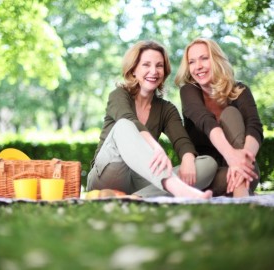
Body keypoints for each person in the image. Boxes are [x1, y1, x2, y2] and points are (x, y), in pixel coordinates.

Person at [86, 40, 217, 199]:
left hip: (140, 180)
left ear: (165, 71)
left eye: (159, 66)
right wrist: (155, 147)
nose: (154, 71)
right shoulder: (119, 95)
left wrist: (188, 158)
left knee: (207, 164)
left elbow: (182, 142)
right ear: (133, 69)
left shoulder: (166, 109)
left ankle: (136, 198)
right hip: (107, 174)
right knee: (124, 125)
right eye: (146, 65)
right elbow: (130, 120)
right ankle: (178, 189)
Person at [175, 37, 263, 197]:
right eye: (192, 62)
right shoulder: (188, 91)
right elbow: (205, 121)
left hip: (246, 168)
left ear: (216, 59)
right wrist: (232, 158)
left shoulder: (240, 90)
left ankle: (240, 191)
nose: (198, 67)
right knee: (217, 172)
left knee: (231, 114)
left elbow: (254, 126)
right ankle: (241, 194)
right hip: (209, 172)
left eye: (204, 58)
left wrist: (243, 160)